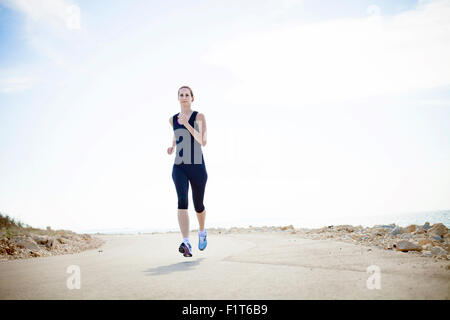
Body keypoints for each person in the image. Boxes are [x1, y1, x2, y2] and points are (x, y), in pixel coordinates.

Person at [167, 86, 208, 257]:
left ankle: (201, 231)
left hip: (197, 166)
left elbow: (202, 141)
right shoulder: (172, 119)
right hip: (180, 165)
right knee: (182, 201)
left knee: (198, 206)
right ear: (178, 98)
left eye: (187, 95)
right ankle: (186, 242)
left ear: (192, 98)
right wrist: (173, 145)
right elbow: (177, 134)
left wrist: (187, 125)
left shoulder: (199, 116)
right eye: (181, 95)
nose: (184, 97)